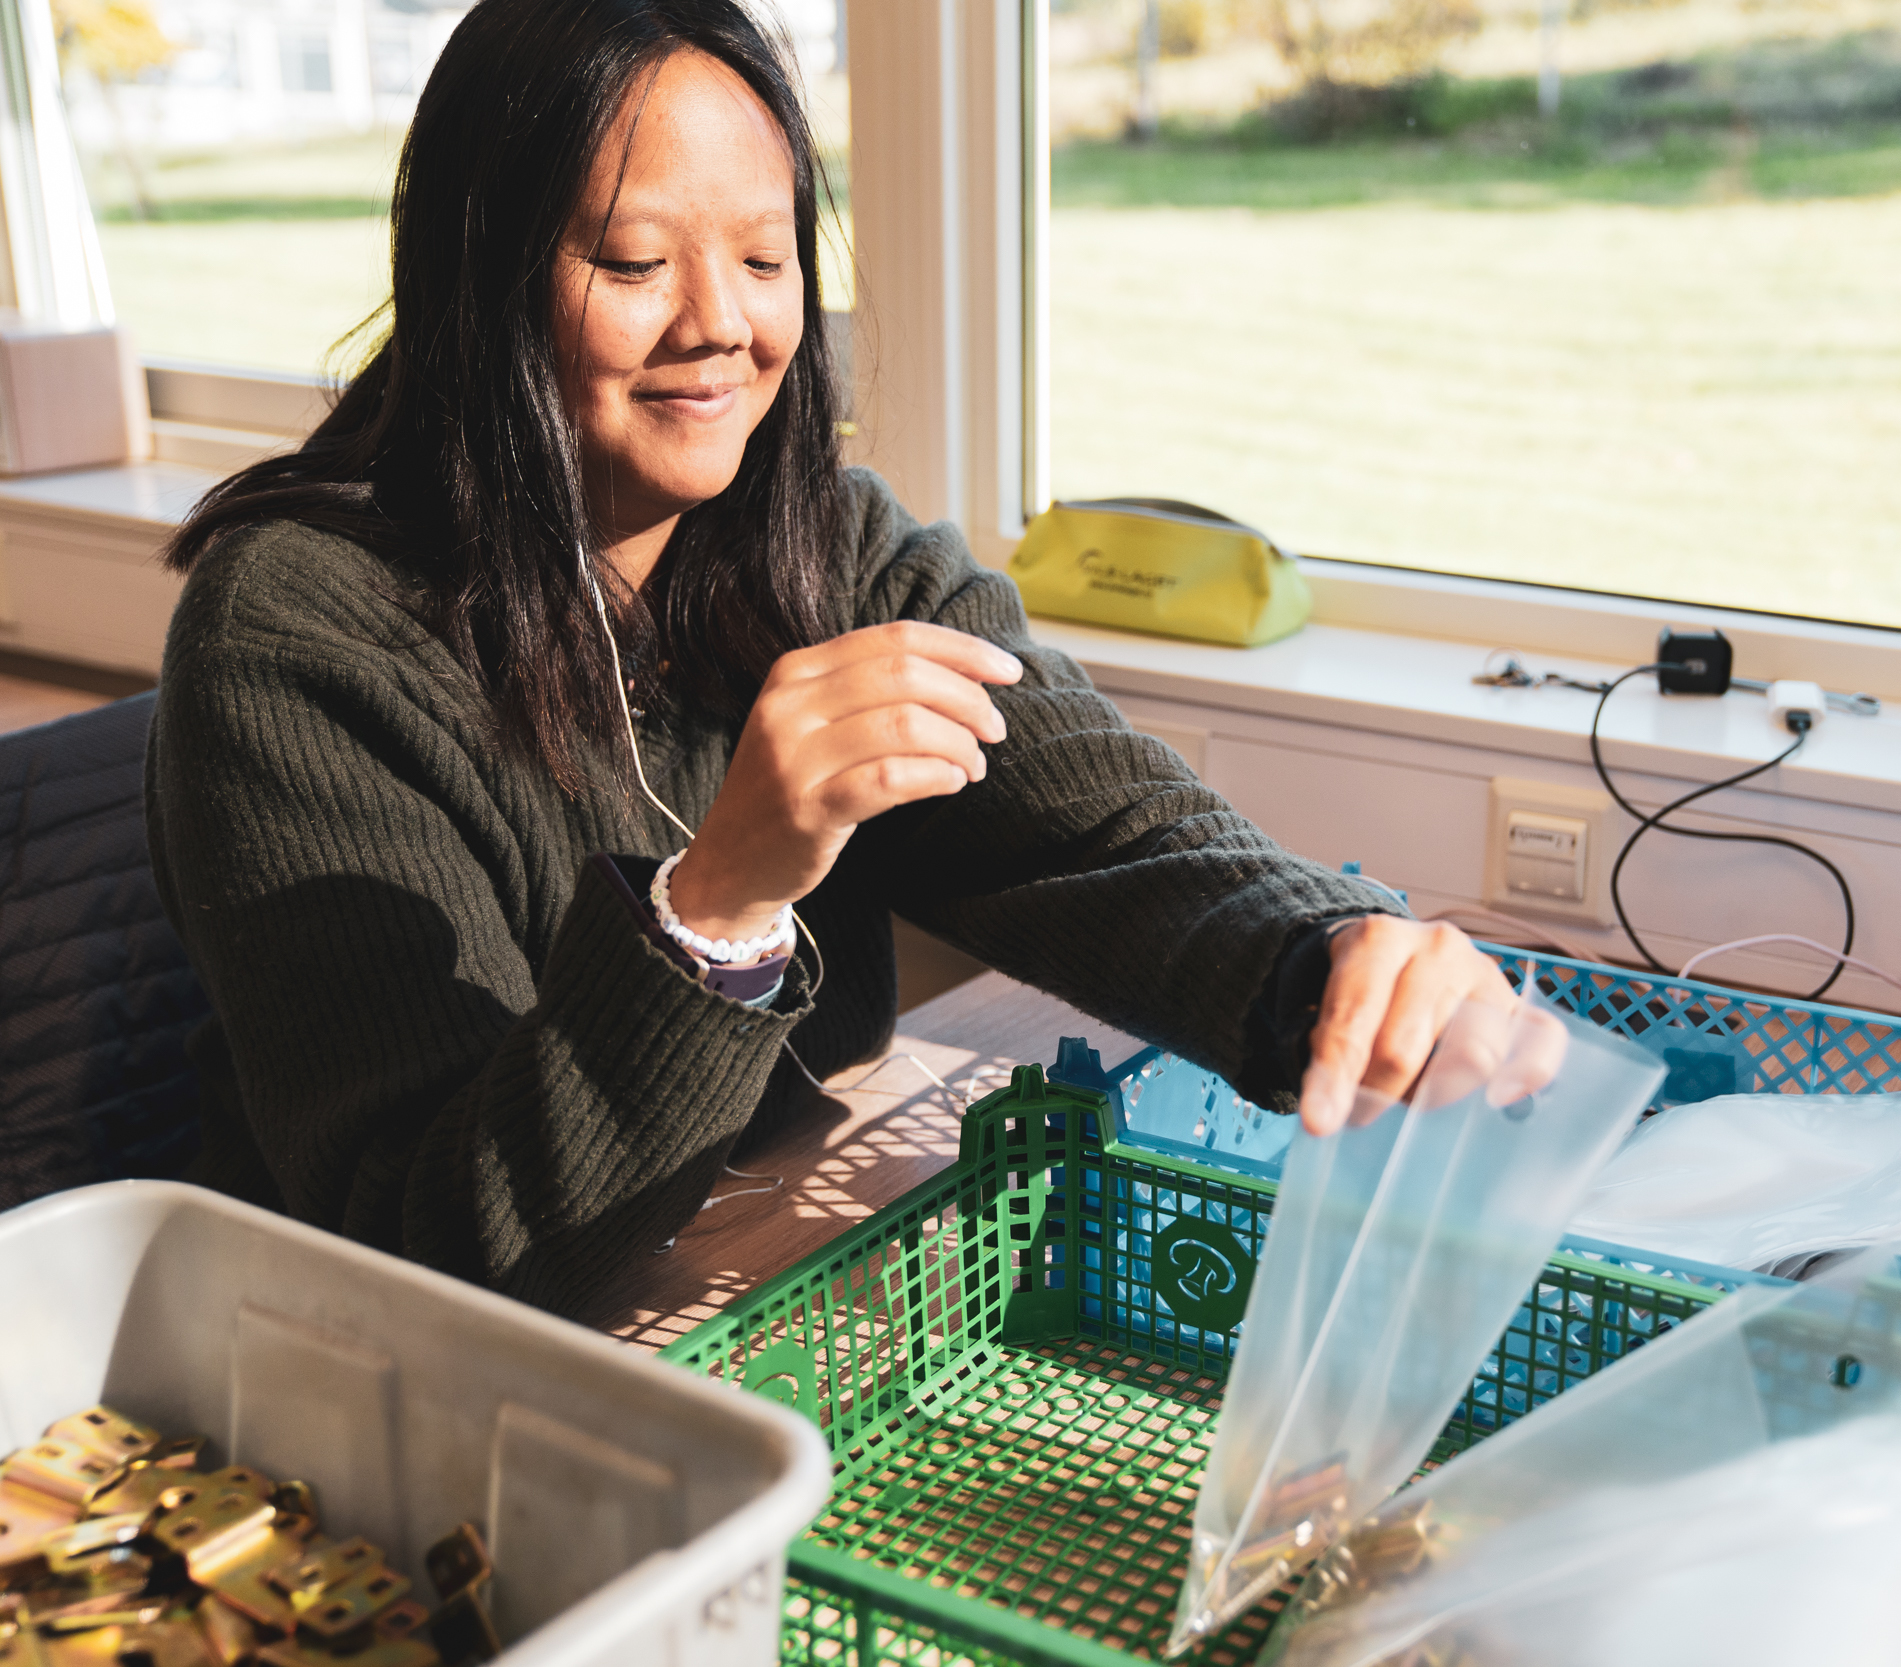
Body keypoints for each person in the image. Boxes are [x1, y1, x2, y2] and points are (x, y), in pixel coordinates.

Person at [147, 0, 1554, 1319]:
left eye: (767, 259)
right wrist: (719, 903)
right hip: (415, 1371)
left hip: (760, 1268)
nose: (723, 324)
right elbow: (434, 1245)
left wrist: (1332, 962)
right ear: (479, 276)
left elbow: (1098, 832)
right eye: (634, 263)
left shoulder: (820, 543)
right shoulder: (293, 630)